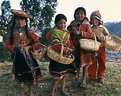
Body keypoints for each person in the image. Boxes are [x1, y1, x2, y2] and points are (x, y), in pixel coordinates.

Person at [4, 9, 42, 96]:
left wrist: (29, 47)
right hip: (18, 59)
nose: (19, 21)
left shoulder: (30, 32)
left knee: (30, 77)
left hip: (29, 59)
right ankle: (20, 94)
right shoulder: (12, 33)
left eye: (22, 19)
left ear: (25, 21)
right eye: (17, 19)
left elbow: (37, 43)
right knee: (20, 78)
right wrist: (14, 47)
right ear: (15, 20)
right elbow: (6, 46)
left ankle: (30, 93)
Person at [46, 14, 76, 96]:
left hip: (65, 57)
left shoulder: (67, 33)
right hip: (57, 57)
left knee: (65, 74)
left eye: (64, 23)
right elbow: (55, 45)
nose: (62, 25)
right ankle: (52, 93)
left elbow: (69, 43)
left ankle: (62, 90)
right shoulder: (54, 32)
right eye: (60, 23)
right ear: (56, 23)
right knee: (57, 76)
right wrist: (67, 49)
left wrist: (72, 48)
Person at [67, 7, 94, 88]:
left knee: (85, 64)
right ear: (75, 15)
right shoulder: (72, 24)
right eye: (78, 13)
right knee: (77, 63)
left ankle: (84, 79)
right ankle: (77, 78)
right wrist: (71, 33)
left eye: (82, 13)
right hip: (75, 46)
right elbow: (68, 35)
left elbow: (91, 35)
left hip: (85, 47)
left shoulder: (87, 24)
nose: (79, 15)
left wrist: (80, 33)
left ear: (85, 15)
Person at [88, 10, 109, 83]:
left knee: (102, 62)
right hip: (93, 48)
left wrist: (105, 38)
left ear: (99, 20)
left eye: (96, 19)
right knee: (92, 63)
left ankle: (101, 76)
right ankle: (92, 77)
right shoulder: (90, 28)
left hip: (101, 48)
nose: (94, 21)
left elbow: (108, 36)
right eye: (92, 19)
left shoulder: (102, 28)